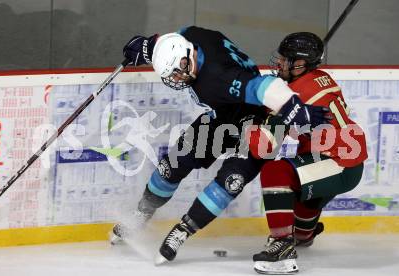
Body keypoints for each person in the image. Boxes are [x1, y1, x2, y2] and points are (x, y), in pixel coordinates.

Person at [111, 26, 330, 265]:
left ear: (187, 58)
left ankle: (183, 230)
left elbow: (264, 87)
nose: (176, 79)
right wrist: (150, 46)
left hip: (261, 119)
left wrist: (295, 108)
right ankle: (143, 212)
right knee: (173, 164)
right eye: (171, 75)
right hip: (224, 114)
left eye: (177, 72)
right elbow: (175, 36)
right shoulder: (191, 37)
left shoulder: (218, 77)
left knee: (230, 180)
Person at [247, 32, 368, 274]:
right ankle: (303, 234)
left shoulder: (293, 95)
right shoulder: (321, 77)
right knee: (302, 204)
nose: (279, 63)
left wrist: (260, 114)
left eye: (285, 60)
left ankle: (282, 248)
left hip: (338, 162)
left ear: (300, 64)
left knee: (275, 172)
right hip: (346, 159)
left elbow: (262, 149)